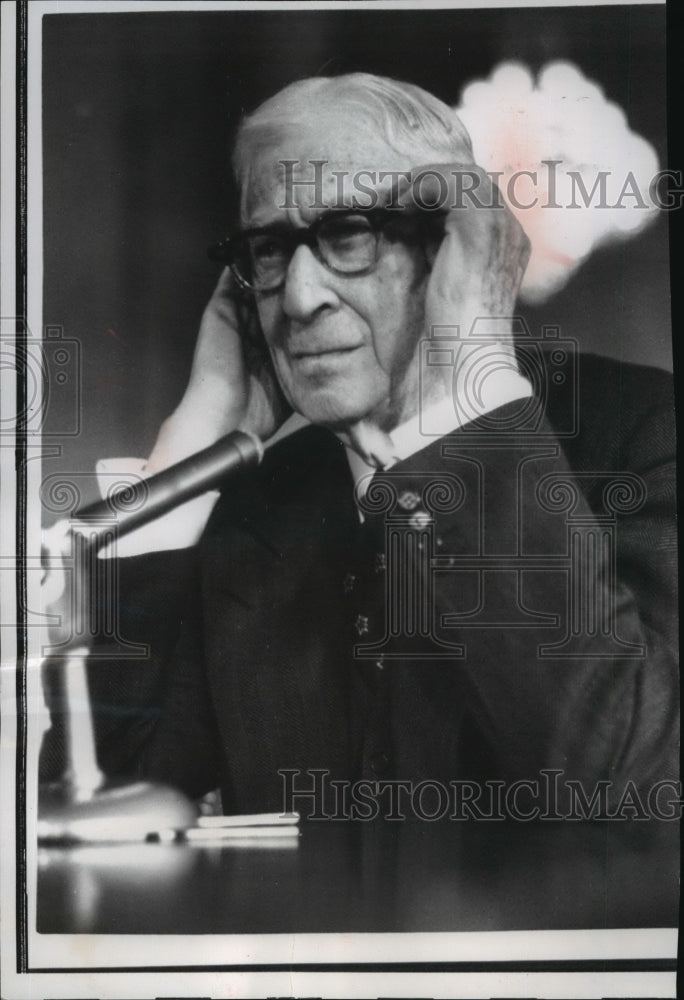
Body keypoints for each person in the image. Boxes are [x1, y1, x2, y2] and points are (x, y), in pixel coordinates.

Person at [42, 73, 678, 818]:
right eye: (271, 249)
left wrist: (465, 377)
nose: (302, 297)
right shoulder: (258, 508)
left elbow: (636, 788)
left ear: (449, 249)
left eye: (348, 235)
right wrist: (196, 432)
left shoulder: (642, 434)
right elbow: (97, 804)